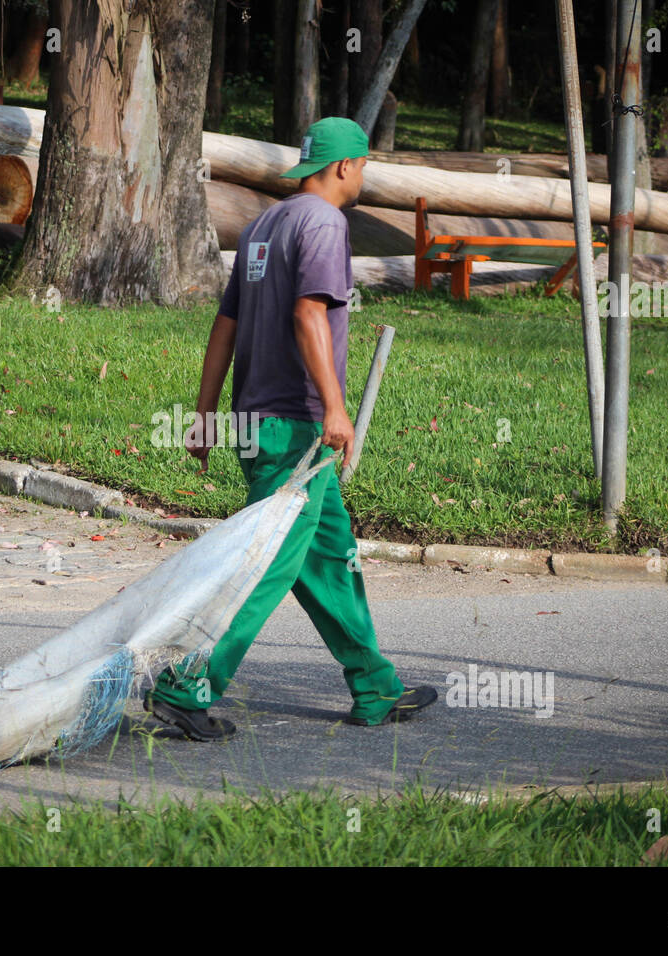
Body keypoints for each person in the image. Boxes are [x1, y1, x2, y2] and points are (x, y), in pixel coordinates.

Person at [144, 117, 438, 741]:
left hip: (259, 420)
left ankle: (375, 687)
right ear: (342, 167)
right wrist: (335, 407)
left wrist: (206, 415)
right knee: (266, 563)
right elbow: (309, 314)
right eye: (361, 165)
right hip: (294, 424)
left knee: (332, 557)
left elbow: (224, 325)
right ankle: (187, 683)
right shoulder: (324, 223)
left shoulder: (261, 226)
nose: (362, 176)